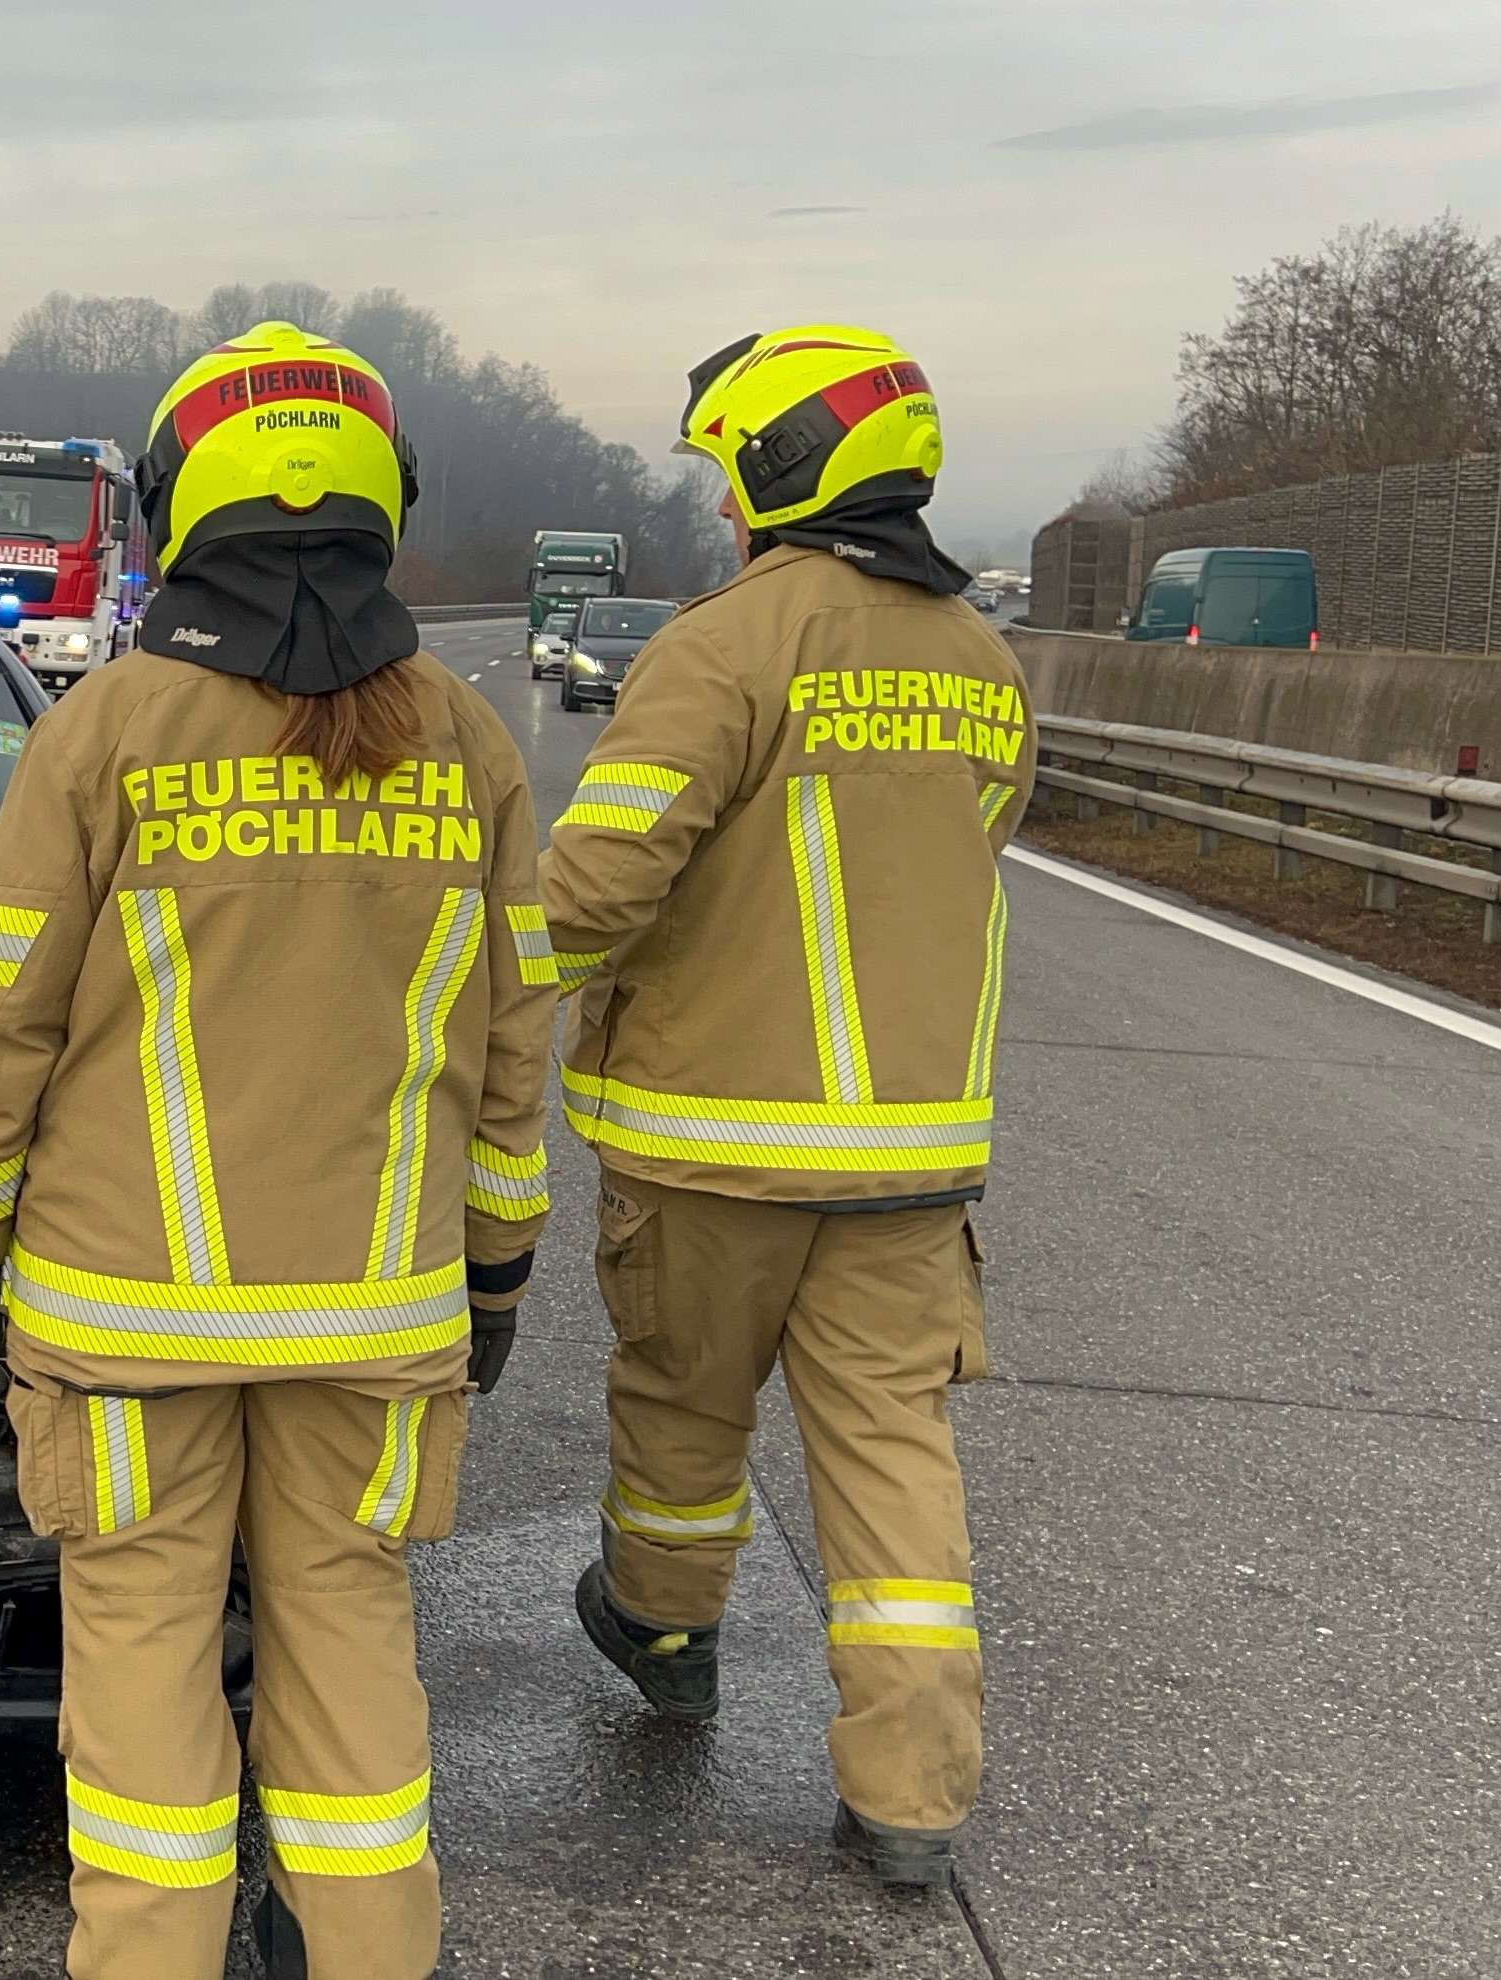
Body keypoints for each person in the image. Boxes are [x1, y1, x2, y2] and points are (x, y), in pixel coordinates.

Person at [0, 321, 557, 1980]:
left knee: (140, 1709)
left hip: (125, 1337)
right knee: (353, 1682)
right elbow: (507, 1056)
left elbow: (0, 1042)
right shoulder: (470, 749)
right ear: (384, 507)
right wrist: (493, 1285)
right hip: (373, 1328)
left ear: (181, 504)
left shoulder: (102, 733)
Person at [542, 324, 1032, 1888]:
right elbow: (985, 842)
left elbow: (601, 881)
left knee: (686, 1407)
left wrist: (460, 984)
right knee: (894, 1455)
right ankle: (911, 1793)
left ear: (773, 470)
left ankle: (667, 1632)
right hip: (912, 1157)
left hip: (714, 1138)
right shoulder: (983, 663)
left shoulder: (728, 644)